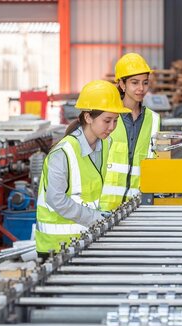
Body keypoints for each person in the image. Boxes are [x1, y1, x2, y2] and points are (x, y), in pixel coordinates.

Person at [35, 80, 130, 256]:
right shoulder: (63, 152)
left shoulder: (104, 146)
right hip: (56, 248)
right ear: (88, 117)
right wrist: (95, 218)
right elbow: (56, 200)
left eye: (115, 121)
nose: (112, 127)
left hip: (86, 241)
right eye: (107, 120)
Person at [99, 52, 161, 211]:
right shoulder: (107, 116)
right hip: (102, 207)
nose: (141, 88)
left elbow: (154, 162)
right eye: (135, 82)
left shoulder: (154, 120)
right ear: (122, 84)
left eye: (145, 82)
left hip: (138, 207)